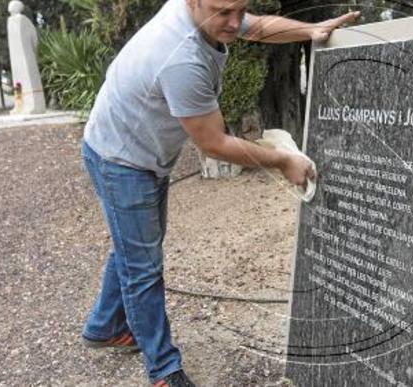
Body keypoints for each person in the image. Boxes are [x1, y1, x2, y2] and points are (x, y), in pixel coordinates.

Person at [79, 0, 360, 386]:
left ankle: (103, 327)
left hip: (139, 149)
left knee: (135, 248)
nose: (234, 21)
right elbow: (213, 143)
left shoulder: (210, 14)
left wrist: (310, 31)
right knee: (142, 267)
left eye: (238, 8)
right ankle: (164, 371)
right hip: (121, 159)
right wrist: (281, 161)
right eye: (223, 11)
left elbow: (255, 26)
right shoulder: (180, 58)